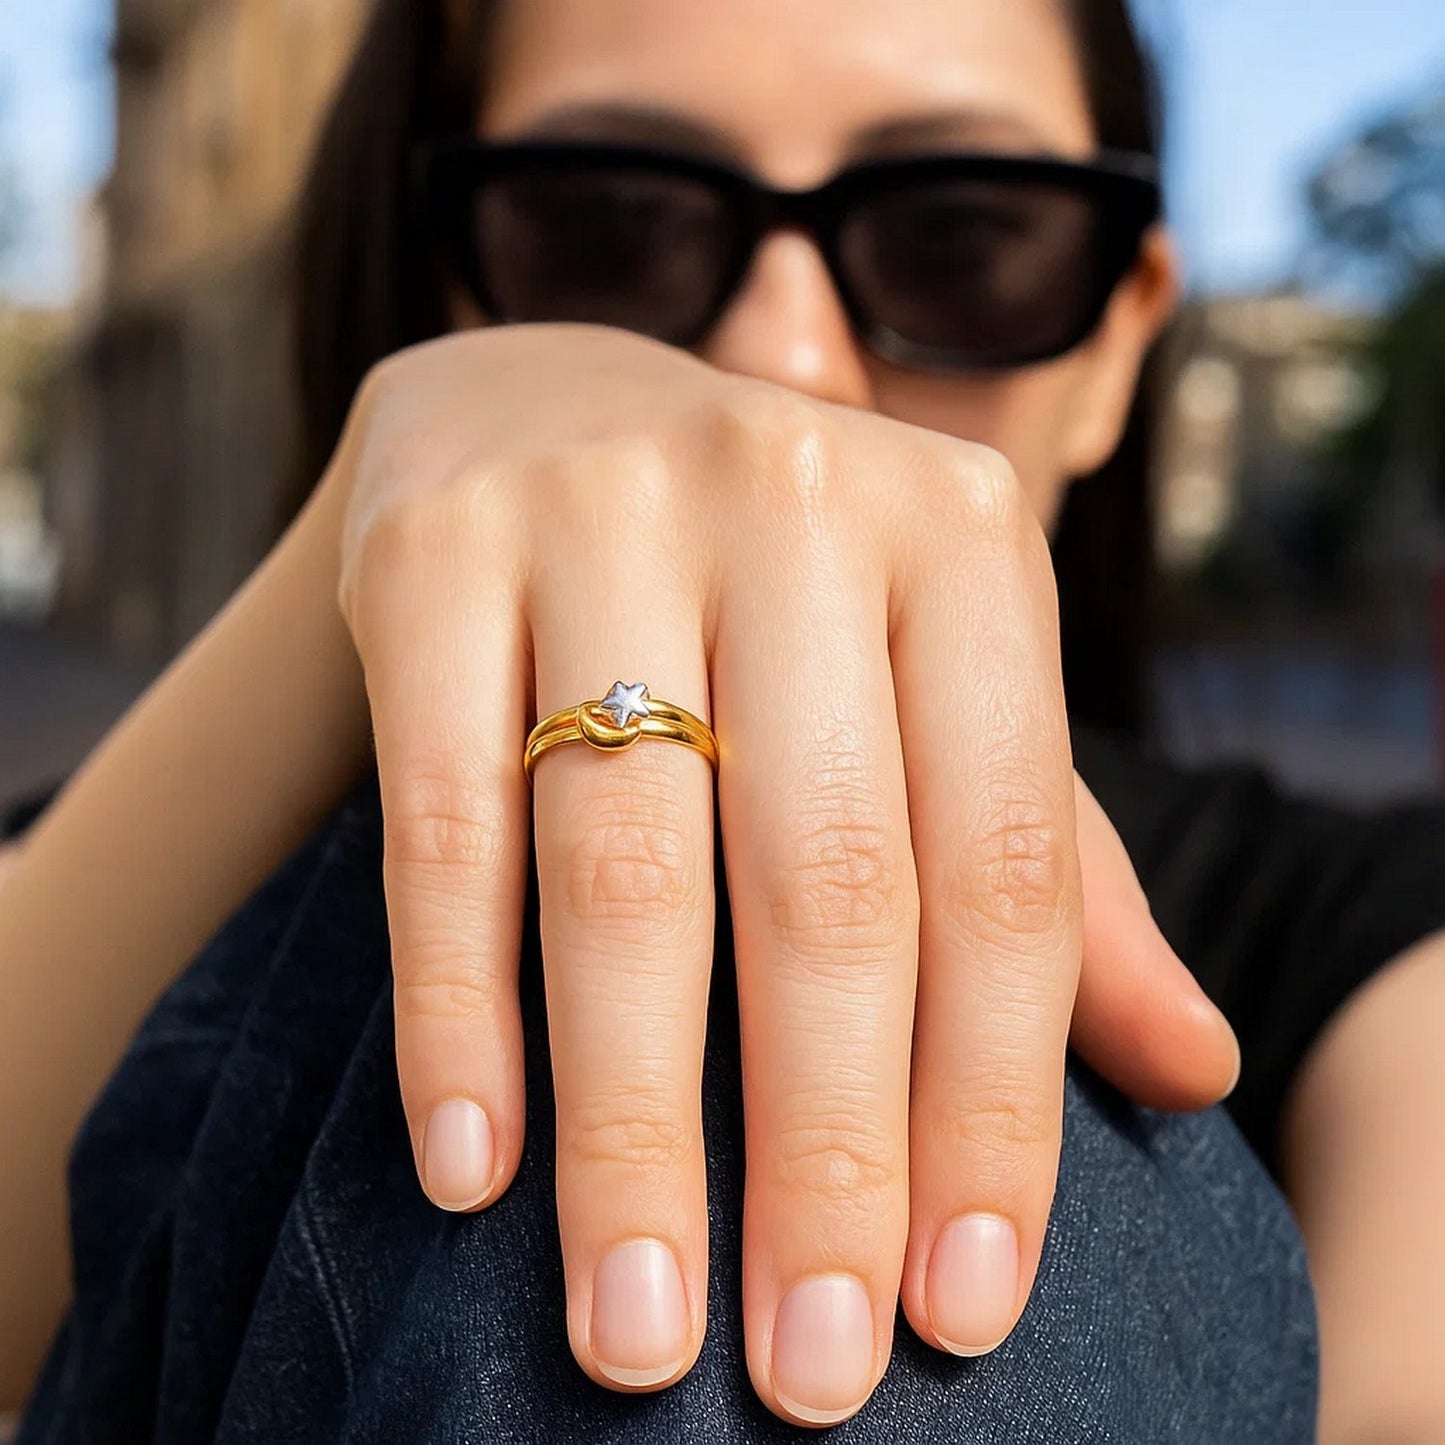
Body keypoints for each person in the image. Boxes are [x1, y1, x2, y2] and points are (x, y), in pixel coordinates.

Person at [1, 0, 1442, 1438]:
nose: (789, 363)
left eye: (958, 236)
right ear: (447, 287)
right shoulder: (139, 884)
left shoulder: (1366, 932)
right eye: (608, 228)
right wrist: (356, 524)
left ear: (1115, 350)